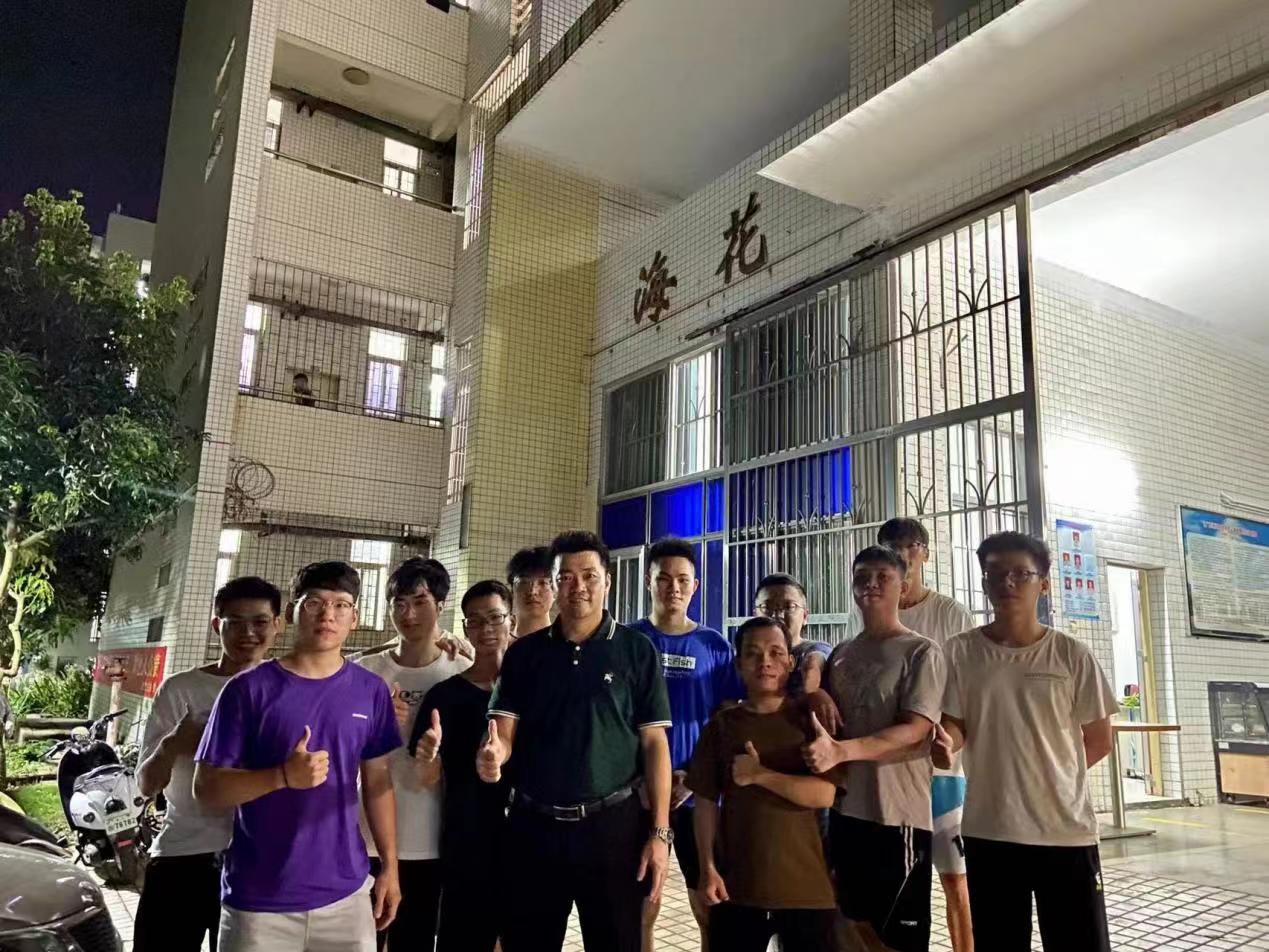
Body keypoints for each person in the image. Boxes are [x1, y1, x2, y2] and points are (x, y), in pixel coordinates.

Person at [479, 530, 673, 952]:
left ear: (608, 581)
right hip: (534, 829)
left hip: (612, 829)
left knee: (616, 942)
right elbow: (503, 732)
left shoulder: (636, 650)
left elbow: (655, 744)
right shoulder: (525, 655)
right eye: (564, 577)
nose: (577, 586)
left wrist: (660, 833)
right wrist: (494, 755)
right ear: (553, 586)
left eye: (588, 575)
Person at [194, 561, 402, 952]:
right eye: (315, 603)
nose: (328, 615)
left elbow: (378, 781)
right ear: (292, 611)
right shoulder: (247, 689)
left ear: (355, 617)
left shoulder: (371, 691)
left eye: (341, 605)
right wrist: (282, 776)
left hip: (346, 895)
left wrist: (390, 866)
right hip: (260, 901)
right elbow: (206, 789)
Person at [934, 531, 1116, 952]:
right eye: (995, 573)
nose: (1007, 582)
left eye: (1021, 573)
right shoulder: (959, 652)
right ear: (984, 582)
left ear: (1044, 584)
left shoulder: (1071, 654)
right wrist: (947, 743)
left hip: (1065, 833)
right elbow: (956, 723)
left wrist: (1049, 776)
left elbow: (1100, 739)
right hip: (990, 830)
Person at [803, 545, 946, 952]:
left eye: (883, 576)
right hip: (845, 812)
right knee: (852, 929)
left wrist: (842, 752)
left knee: (898, 937)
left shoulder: (921, 651)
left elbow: (916, 728)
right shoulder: (842, 653)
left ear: (903, 586)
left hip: (897, 816)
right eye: (862, 577)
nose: (871, 584)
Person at [134, 577, 283, 952]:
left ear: (278, 625)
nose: (248, 633)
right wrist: (174, 743)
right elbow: (145, 786)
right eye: (236, 622)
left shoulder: (287, 689)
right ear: (217, 625)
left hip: (258, 860)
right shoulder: (180, 689)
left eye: (260, 622)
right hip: (182, 855)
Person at [687, 616, 837, 952]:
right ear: (738, 664)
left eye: (775, 652)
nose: (765, 662)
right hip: (737, 889)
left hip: (807, 891)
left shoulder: (811, 722)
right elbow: (706, 802)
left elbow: (825, 793)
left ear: (790, 662)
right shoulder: (721, 727)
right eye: (753, 654)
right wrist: (707, 867)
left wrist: (760, 775)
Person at [629, 537, 743, 952]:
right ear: (649, 582)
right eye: (664, 579)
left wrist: (695, 778)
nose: (673, 588)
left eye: (682, 580)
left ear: (695, 586)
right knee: (642, 904)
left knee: (708, 903)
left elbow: (728, 721)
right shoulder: (628, 641)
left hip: (698, 797)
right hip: (639, 795)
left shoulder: (715, 646)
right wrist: (637, 779)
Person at [355, 557, 470, 951]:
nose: (408, 614)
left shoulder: (462, 670)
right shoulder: (365, 671)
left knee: (415, 941)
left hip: (429, 838)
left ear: (440, 604)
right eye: (399, 603)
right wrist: (372, 723)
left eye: (420, 602)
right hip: (364, 838)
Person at [877, 518, 975, 952]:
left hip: (944, 774)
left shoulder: (951, 614)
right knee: (900, 882)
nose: (901, 554)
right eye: (891, 546)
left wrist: (950, 741)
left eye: (910, 545)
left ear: (925, 553)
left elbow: (966, 693)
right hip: (894, 776)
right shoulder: (876, 613)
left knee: (956, 880)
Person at [411, 580, 517, 952]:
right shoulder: (445, 696)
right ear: (465, 628)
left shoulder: (536, 690)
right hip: (467, 839)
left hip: (528, 839)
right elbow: (427, 780)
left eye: (495, 618)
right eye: (475, 620)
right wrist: (428, 757)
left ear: (511, 621)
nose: (486, 628)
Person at [754, 573, 830, 696]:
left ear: (805, 616)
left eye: (789, 607)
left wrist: (812, 672)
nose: (777, 615)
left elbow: (815, 662)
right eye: (767, 607)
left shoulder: (814, 650)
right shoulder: (746, 656)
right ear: (755, 615)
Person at [507, 544, 555, 637]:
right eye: (523, 582)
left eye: (543, 583)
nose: (533, 592)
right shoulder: (501, 643)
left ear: (556, 592)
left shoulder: (565, 643)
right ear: (512, 590)